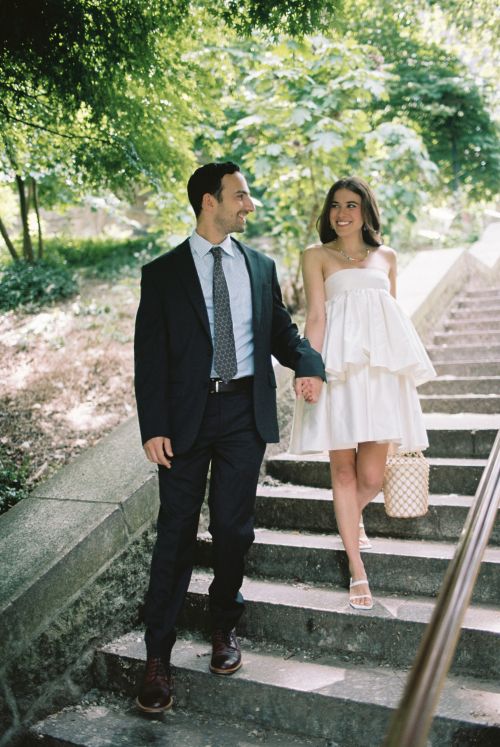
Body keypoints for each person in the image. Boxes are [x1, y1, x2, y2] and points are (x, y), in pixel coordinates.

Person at [133, 161, 325, 712]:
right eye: (240, 196)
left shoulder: (260, 267)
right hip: (186, 423)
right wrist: (154, 426)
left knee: (234, 531)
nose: (249, 205)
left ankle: (223, 627)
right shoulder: (163, 273)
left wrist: (309, 364)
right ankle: (157, 657)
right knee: (174, 537)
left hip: (245, 414)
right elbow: (149, 358)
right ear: (208, 202)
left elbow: (282, 335)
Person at [290, 176, 435, 610]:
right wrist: (310, 369)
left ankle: (349, 520)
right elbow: (316, 317)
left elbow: (391, 318)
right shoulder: (316, 256)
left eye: (352, 205)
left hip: (379, 375)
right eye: (335, 205)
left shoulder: (386, 257)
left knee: (373, 477)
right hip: (338, 371)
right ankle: (357, 568)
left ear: (366, 211)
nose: (342, 213)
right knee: (344, 474)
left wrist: (403, 373)